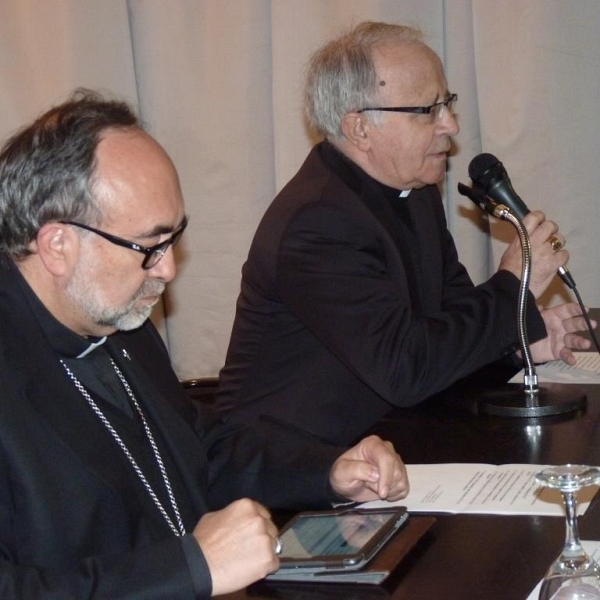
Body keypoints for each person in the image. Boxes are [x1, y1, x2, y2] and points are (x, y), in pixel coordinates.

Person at [0, 89, 409, 599]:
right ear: (58, 245)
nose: (168, 270)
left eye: (174, 241)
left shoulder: (113, 315)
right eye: (149, 247)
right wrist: (190, 567)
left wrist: (327, 470)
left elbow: (197, 449)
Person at [215, 21, 593, 446]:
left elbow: (446, 329)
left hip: (386, 441)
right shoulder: (318, 221)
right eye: (427, 110)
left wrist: (522, 342)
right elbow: (405, 369)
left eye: (447, 103)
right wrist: (513, 286)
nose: (450, 125)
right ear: (360, 128)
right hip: (292, 469)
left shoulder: (414, 192)